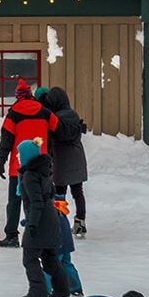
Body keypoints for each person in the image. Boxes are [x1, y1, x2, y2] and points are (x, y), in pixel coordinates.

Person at [0, 78, 58, 248]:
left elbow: (6, 141)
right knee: (39, 200)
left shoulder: (13, 114)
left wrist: (1, 161)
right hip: (42, 166)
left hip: (19, 167)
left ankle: (12, 235)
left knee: (14, 201)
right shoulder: (44, 112)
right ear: (30, 96)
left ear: (18, 97)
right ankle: (38, 233)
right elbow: (56, 129)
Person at [17, 139, 70, 297]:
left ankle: (38, 293)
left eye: (20, 153)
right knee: (50, 258)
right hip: (51, 219)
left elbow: (36, 202)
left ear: (26, 156)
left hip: (40, 221)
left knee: (30, 258)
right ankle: (62, 290)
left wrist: (32, 224)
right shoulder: (44, 171)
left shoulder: (29, 176)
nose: (17, 156)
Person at [41, 87, 89, 238]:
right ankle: (80, 221)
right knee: (78, 192)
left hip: (61, 159)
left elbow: (51, 138)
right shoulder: (74, 115)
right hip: (77, 157)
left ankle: (60, 221)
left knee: (59, 193)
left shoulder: (55, 118)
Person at [46, 194, 84, 297]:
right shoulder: (61, 211)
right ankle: (76, 287)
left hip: (57, 243)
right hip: (66, 243)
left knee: (50, 264)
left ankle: (46, 288)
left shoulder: (53, 211)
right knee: (66, 263)